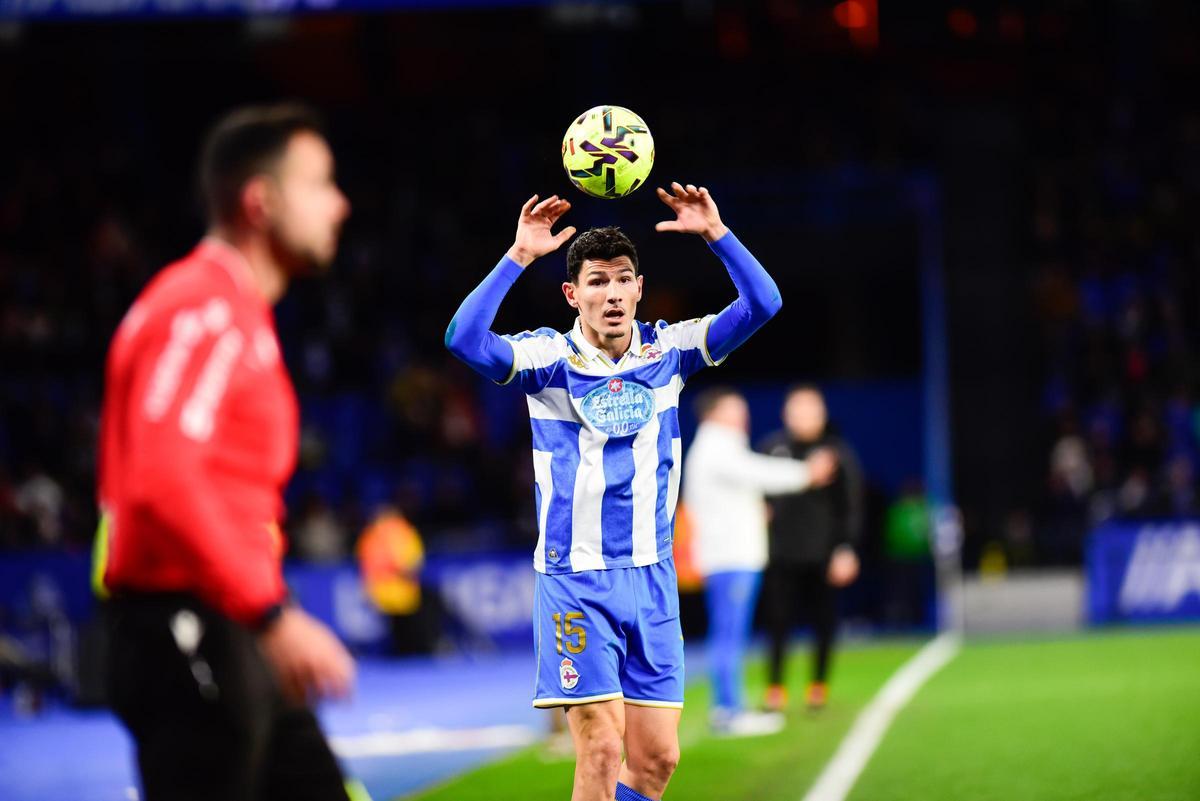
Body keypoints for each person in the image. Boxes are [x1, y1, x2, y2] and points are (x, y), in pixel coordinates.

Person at [446, 183, 782, 801]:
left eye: (623, 279)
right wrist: (518, 256)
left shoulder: (672, 350)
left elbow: (763, 303)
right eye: (597, 281)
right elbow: (463, 340)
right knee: (601, 747)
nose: (612, 293)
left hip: (652, 578)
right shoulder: (547, 358)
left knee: (656, 761)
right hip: (576, 578)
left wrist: (716, 234)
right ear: (573, 294)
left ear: (638, 289)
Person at [96, 103, 358, 801]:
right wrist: (271, 613)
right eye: (320, 183)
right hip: (188, 625)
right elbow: (161, 476)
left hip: (231, 621)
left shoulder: (236, 314)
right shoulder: (203, 308)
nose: (341, 204)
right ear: (260, 201)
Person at [682, 387, 836, 736]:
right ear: (716, 414)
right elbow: (757, 472)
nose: (744, 417)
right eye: (737, 410)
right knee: (729, 634)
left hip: (728, 555)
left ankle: (729, 706)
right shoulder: (716, 446)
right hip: (730, 557)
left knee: (730, 633)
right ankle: (728, 710)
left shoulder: (716, 448)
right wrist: (806, 473)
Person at [759, 385, 863, 711]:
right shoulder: (771, 448)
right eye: (798, 410)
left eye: (810, 410)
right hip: (779, 553)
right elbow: (755, 492)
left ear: (822, 414)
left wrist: (846, 548)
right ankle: (775, 688)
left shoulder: (837, 452)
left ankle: (818, 686)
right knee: (777, 622)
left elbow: (852, 505)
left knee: (824, 623)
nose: (804, 417)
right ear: (786, 414)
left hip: (823, 555)